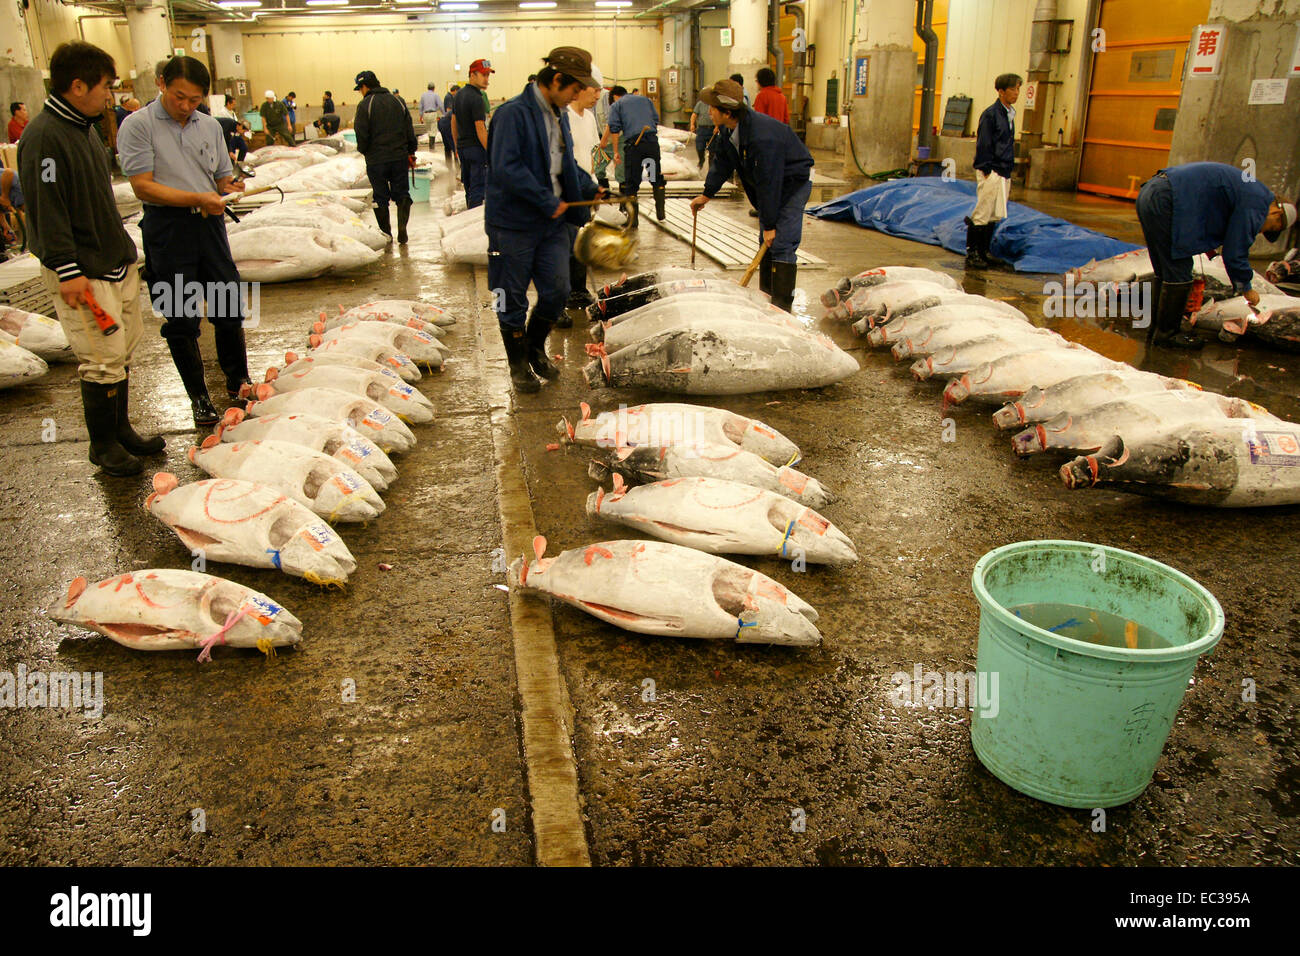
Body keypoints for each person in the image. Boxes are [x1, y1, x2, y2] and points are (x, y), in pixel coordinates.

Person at [16, 41, 164, 475]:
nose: (110, 96)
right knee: (100, 359)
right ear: (76, 86)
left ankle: (120, 431)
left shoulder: (83, 127)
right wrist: (66, 268)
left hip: (112, 260)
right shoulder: (43, 137)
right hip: (81, 270)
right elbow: (46, 206)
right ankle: (102, 445)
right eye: (105, 87)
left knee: (120, 351)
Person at [117, 55, 251, 428]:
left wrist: (231, 187)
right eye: (180, 97)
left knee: (228, 304)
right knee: (181, 317)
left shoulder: (209, 126)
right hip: (167, 231)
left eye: (194, 100)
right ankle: (198, 398)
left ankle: (238, 380)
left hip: (209, 227)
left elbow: (222, 176)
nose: (186, 106)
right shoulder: (137, 125)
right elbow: (143, 185)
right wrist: (198, 198)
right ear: (161, 83)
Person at [486, 46, 601, 393]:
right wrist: (545, 200)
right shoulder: (512, 114)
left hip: (552, 224)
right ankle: (517, 363)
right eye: (573, 90)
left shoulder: (559, 114)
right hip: (513, 224)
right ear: (554, 80)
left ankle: (535, 347)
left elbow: (564, 167)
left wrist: (591, 187)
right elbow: (505, 168)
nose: (576, 98)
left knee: (558, 291)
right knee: (509, 295)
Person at [1137, 162, 1295, 350]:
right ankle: (1167, 335)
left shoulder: (1250, 190)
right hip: (1167, 199)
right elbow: (1235, 250)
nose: (1261, 231)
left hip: (1151, 193)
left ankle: (1157, 328)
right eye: (1270, 228)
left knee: (1165, 272)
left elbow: (1213, 214)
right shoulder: (1257, 203)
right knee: (1179, 272)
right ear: (1276, 212)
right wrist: (1245, 286)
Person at [690, 78, 812, 313]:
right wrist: (707, 194)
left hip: (792, 184)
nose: (709, 112)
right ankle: (765, 298)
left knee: (781, 242)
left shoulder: (762, 137)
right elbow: (723, 163)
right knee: (766, 242)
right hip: (771, 184)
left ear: (727, 111)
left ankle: (782, 309)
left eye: (712, 108)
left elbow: (770, 182)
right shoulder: (730, 131)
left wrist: (769, 224)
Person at [353, 69, 417, 244]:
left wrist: (364, 150)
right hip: (399, 157)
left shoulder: (365, 105)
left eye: (360, 89)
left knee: (380, 197)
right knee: (402, 194)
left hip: (376, 160)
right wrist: (411, 151)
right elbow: (409, 130)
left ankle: (386, 234)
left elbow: (361, 133)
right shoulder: (398, 101)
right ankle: (402, 228)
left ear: (365, 87)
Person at [966, 72, 1020, 270]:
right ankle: (972, 253)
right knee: (982, 211)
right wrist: (986, 168)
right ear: (1001, 91)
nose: (1016, 93)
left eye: (1018, 89)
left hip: (1004, 169)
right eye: (1013, 89)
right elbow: (984, 143)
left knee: (994, 214)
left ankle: (984, 252)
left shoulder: (1010, 113)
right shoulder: (991, 114)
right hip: (992, 169)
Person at [565, 79, 603, 313]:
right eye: (595, 90)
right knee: (567, 241)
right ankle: (564, 293)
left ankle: (578, 289)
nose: (598, 96)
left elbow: (595, 150)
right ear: (579, 90)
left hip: (586, 186)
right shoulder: (564, 116)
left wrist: (595, 183)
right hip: (568, 187)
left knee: (581, 239)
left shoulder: (589, 117)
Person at [600, 85, 665, 224]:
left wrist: (616, 151)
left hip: (634, 147)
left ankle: (633, 220)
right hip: (652, 144)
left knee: (632, 182)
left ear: (615, 97)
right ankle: (661, 213)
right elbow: (655, 120)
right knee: (654, 177)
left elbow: (614, 129)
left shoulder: (617, 105)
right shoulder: (645, 100)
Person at [452, 60, 494, 208]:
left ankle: (469, 213)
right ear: (472, 75)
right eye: (484, 75)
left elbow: (453, 122)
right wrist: (491, 152)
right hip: (476, 150)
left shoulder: (458, 95)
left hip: (463, 149)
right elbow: (480, 128)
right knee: (478, 190)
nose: (487, 79)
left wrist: (457, 146)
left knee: (468, 189)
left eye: (488, 75)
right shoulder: (477, 98)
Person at [689, 94, 713, 168]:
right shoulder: (700, 103)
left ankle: (711, 167)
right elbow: (694, 115)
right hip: (702, 129)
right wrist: (692, 124)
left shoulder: (715, 103)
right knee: (699, 147)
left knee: (713, 150)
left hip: (713, 129)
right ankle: (701, 159)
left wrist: (718, 127)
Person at [419, 82, 444, 149]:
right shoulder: (435, 95)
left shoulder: (423, 95)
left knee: (428, 129)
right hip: (433, 113)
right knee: (433, 130)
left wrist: (420, 116)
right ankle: (431, 146)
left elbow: (420, 106)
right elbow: (441, 105)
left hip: (425, 114)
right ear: (434, 88)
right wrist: (444, 113)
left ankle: (431, 144)